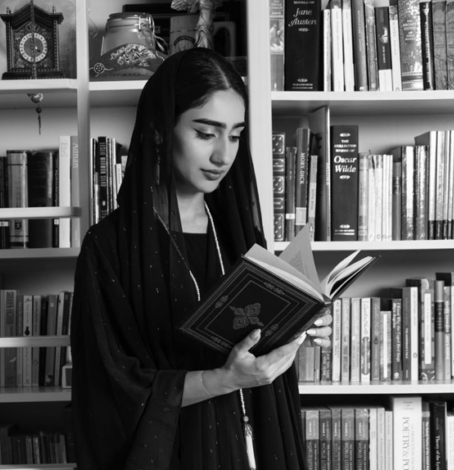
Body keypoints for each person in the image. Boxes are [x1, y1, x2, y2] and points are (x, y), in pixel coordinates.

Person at [70, 48, 333, 470]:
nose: (223, 156)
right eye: (206, 133)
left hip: (254, 444)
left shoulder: (240, 236)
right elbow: (107, 387)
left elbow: (252, 343)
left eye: (235, 135)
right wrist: (221, 380)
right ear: (160, 131)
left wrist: (297, 325)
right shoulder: (108, 246)